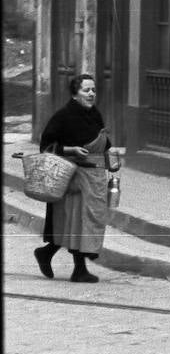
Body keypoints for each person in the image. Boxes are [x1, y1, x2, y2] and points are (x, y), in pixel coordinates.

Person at [34, 73, 115, 283]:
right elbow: (47, 146)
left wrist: (111, 160)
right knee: (77, 222)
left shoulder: (94, 114)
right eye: (86, 90)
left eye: (93, 90)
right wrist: (71, 149)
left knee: (84, 221)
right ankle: (79, 270)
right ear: (75, 93)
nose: (91, 94)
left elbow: (103, 141)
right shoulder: (63, 116)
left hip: (95, 176)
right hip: (74, 178)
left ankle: (47, 253)